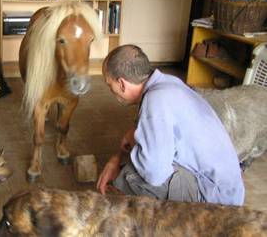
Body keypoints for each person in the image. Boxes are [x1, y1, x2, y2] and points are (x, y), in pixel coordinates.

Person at [96, 44, 245, 206]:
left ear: (122, 84)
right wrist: (116, 157)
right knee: (139, 154)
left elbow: (154, 174)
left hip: (217, 198)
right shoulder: (167, 83)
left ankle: (186, 220)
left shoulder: (156, 101)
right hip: (226, 187)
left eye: (110, 85)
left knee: (128, 176)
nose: (111, 90)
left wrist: (127, 152)